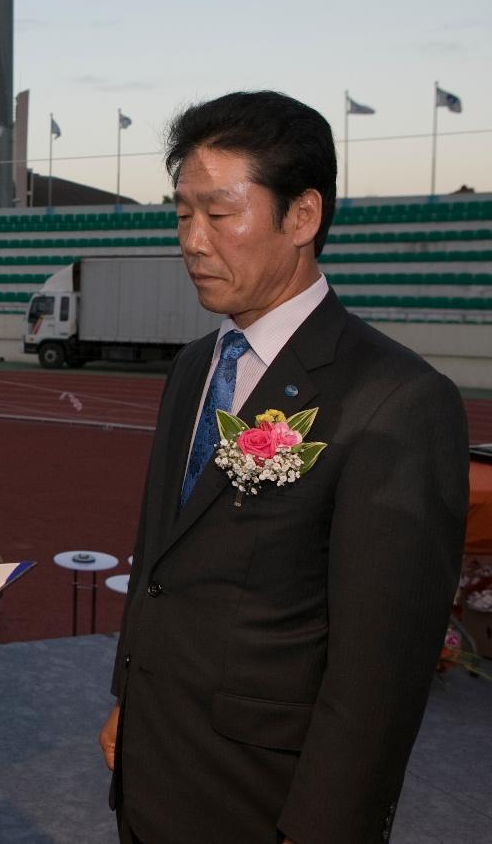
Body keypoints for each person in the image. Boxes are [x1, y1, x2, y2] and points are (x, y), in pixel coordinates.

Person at [99, 91, 468, 844]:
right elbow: (162, 561)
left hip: (267, 801)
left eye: (220, 213)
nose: (193, 242)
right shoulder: (195, 367)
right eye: (180, 214)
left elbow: (383, 669)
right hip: (152, 770)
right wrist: (128, 697)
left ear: (302, 216)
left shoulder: (397, 400)